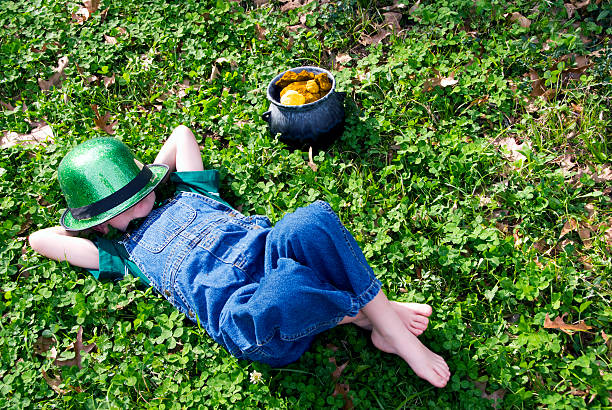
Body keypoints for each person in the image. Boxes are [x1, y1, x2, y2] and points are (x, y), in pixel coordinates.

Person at [29, 125, 450, 388]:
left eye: (141, 189)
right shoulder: (120, 253)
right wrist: (92, 222)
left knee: (314, 220)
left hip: (269, 253)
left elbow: (180, 135)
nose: (138, 201)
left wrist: (140, 180)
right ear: (101, 222)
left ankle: (383, 328)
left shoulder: (192, 191)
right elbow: (40, 240)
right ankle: (375, 316)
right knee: (288, 289)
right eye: (122, 205)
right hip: (244, 310)